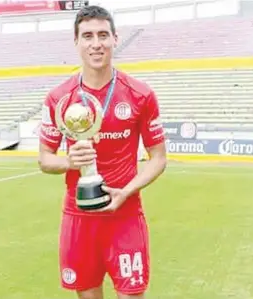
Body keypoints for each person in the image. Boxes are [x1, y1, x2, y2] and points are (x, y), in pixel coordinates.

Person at [38, 5, 167, 299]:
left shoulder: (140, 94)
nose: (96, 43)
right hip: (79, 216)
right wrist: (69, 162)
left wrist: (127, 190)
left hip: (125, 215)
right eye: (87, 36)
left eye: (102, 35)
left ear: (114, 39)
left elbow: (158, 158)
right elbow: (45, 159)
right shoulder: (59, 98)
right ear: (76, 42)